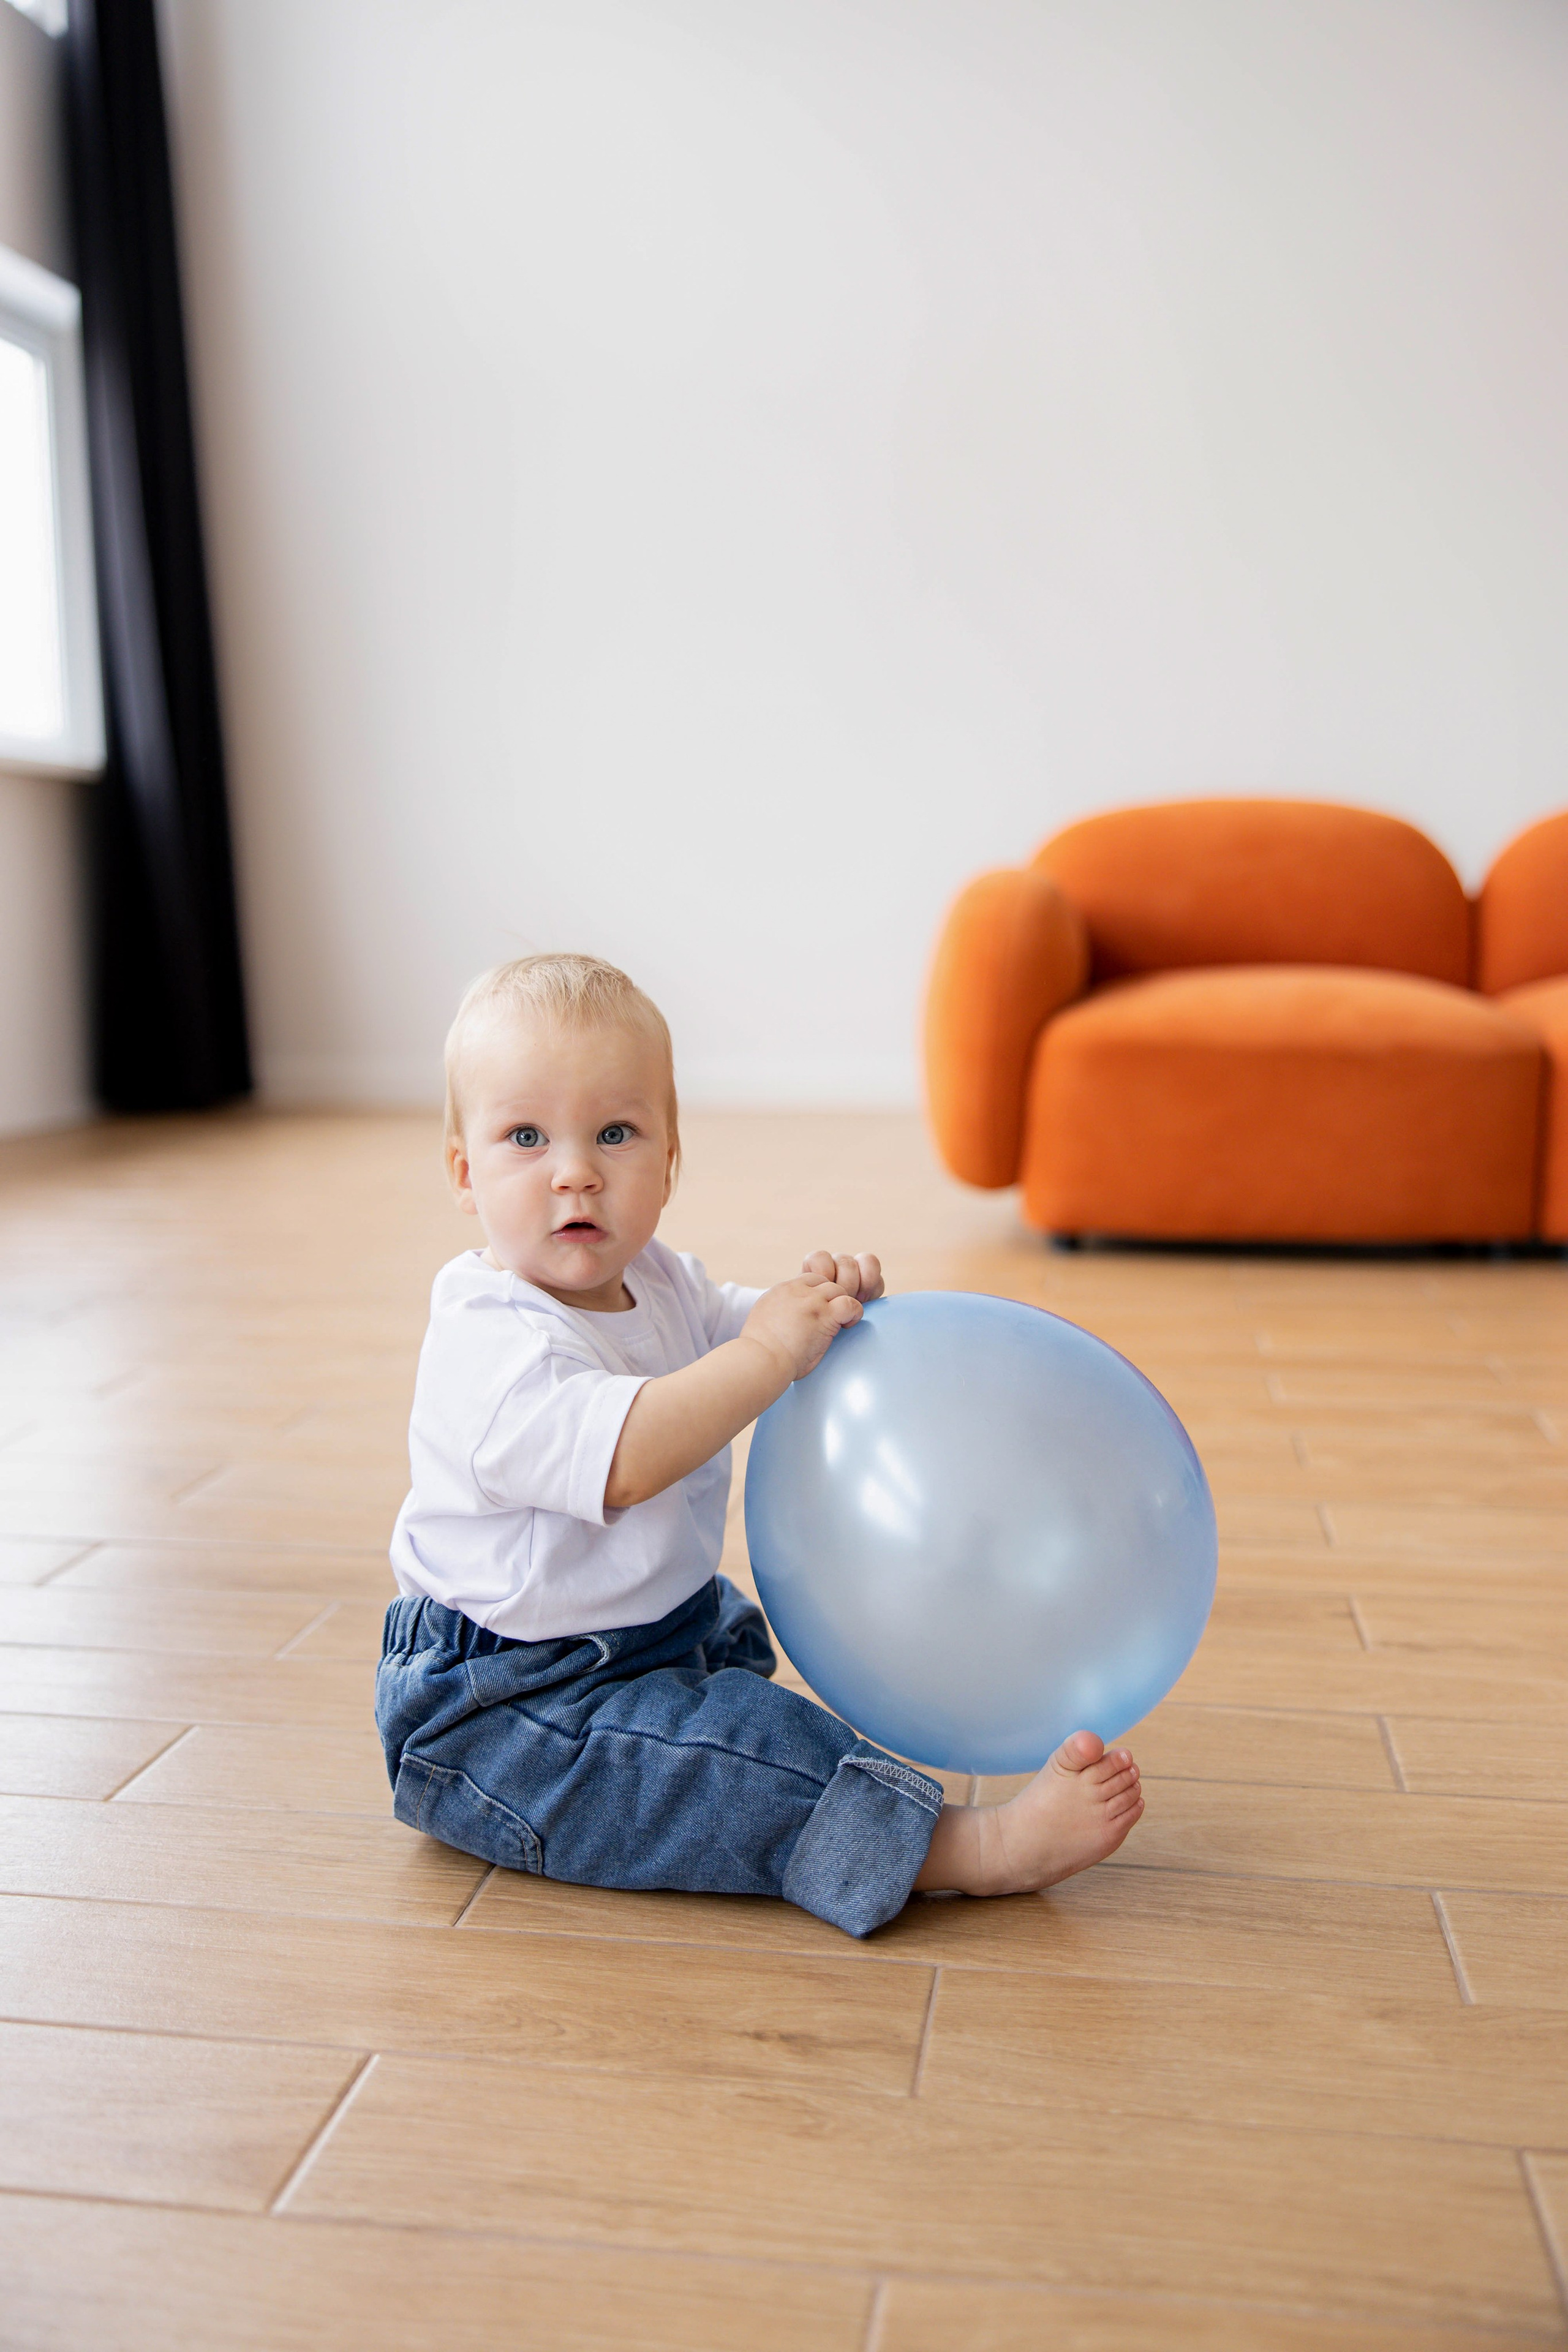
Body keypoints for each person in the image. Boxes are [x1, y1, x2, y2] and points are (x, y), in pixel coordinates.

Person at [377, 953, 1144, 1937]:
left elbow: (742, 1329)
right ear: (463, 1171)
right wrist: (773, 1354)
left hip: (645, 1631)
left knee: (736, 1642)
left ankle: (752, 1756)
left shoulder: (655, 1278)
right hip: (504, 1711)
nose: (576, 1170)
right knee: (740, 1754)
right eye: (526, 1137)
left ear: (669, 1161)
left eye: (615, 1133)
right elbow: (632, 1455)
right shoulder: (490, 1345)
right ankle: (971, 1850)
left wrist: (816, 1318)